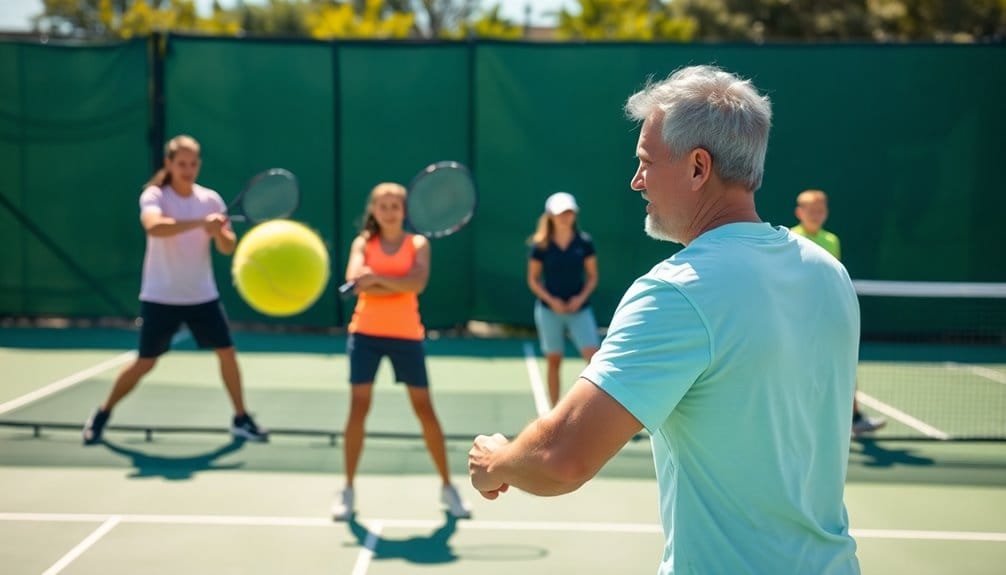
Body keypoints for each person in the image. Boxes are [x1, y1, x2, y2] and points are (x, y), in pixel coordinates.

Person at [469, 66, 862, 574]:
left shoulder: (677, 290)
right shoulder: (829, 273)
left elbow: (562, 460)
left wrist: (495, 462)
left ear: (699, 167)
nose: (636, 181)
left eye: (646, 162)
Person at [82, 135, 268, 445]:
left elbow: (227, 246)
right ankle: (102, 414)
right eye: (181, 163)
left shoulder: (210, 199)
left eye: (193, 163)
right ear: (168, 163)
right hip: (160, 296)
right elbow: (154, 227)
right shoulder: (154, 195)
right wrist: (199, 223)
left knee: (227, 354)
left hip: (202, 296)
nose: (188, 169)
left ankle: (241, 419)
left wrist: (217, 231)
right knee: (146, 363)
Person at [332, 182, 471, 521]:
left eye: (396, 205)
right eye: (384, 205)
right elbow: (355, 280)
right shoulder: (363, 242)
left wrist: (376, 279)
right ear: (374, 211)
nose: (390, 211)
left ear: (404, 211)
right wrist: (395, 281)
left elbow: (416, 284)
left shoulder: (417, 243)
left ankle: (448, 487)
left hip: (406, 335)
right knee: (358, 408)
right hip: (365, 334)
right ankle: (347, 490)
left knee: (425, 410)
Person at [792, 189, 887, 436]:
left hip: (826, 316)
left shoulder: (832, 240)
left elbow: (833, 277)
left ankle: (854, 418)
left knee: (842, 364)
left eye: (820, 211)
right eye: (811, 211)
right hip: (800, 319)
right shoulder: (791, 238)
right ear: (799, 213)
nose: (816, 215)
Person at [527, 192, 600, 407]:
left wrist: (580, 298)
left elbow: (593, 276)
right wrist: (552, 300)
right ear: (550, 216)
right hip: (549, 311)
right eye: (560, 213)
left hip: (580, 309)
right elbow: (533, 279)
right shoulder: (540, 245)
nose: (565, 217)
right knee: (554, 360)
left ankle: (595, 409)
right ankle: (553, 411)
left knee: (595, 359)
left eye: (569, 212)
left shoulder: (584, 242)